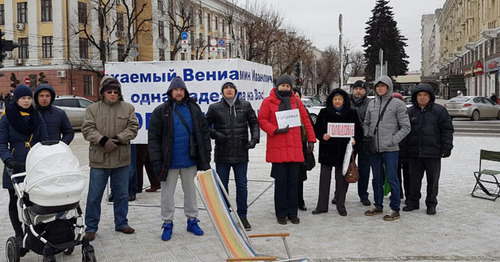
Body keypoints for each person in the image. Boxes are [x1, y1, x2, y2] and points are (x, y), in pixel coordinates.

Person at [148, 76, 211, 241]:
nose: (178, 92)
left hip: (189, 161)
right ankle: (167, 223)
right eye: (176, 89)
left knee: (191, 194)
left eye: (181, 89)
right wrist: (157, 162)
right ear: (170, 92)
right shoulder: (161, 111)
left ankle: (192, 220)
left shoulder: (194, 109)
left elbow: (203, 133)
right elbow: (153, 139)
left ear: (185, 92)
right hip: (169, 163)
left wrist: (206, 156)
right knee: (167, 195)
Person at [82, 76, 139, 241]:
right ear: (102, 93)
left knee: (121, 194)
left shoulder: (128, 108)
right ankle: (91, 227)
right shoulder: (92, 109)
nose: (113, 95)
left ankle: (121, 223)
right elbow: (87, 129)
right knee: (94, 196)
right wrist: (103, 140)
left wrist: (118, 139)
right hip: (99, 160)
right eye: (109, 92)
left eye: (115, 92)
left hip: (121, 158)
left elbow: (133, 127)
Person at [258, 74, 315, 225]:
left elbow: (306, 120)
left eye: (288, 86)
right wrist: (275, 129)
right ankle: (281, 213)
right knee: (281, 183)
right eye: (283, 85)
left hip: (295, 149)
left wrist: (311, 139)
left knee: (293, 183)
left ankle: (293, 213)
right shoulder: (268, 101)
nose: (285, 88)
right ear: (277, 86)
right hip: (278, 149)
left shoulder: (296, 101)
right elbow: (262, 120)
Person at [205, 82, 259, 231]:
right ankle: (225, 216)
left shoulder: (246, 105)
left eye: (231, 88)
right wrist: (215, 134)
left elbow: (254, 123)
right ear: (222, 92)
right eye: (226, 88)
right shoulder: (214, 108)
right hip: (222, 153)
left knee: (242, 185)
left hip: (241, 152)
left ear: (236, 91)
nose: (229, 90)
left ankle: (242, 216)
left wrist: (254, 139)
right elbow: (205, 126)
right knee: (222, 186)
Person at [0, 85, 47, 238]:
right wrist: (8, 159)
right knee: (15, 200)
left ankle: (32, 231)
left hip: (34, 164)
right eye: (23, 98)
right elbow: (2, 143)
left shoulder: (36, 116)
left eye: (28, 98)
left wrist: (43, 157)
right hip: (14, 165)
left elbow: (44, 139)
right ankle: (19, 233)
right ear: (16, 99)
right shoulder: (7, 117)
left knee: (34, 200)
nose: (26, 101)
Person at [363, 75, 410, 221]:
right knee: (376, 178)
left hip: (390, 149)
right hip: (374, 149)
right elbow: (366, 122)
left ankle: (395, 208)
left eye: (383, 86)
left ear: (388, 87)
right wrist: (368, 135)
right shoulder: (372, 104)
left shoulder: (397, 104)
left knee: (392, 178)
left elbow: (406, 127)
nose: (380, 88)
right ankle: (378, 205)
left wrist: (392, 140)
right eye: (377, 86)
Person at [402, 83, 454, 215]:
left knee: (433, 180)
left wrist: (447, 146)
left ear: (430, 96)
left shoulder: (439, 111)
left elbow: (447, 130)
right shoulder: (410, 112)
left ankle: (431, 204)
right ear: (415, 97)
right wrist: (403, 149)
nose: (422, 97)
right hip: (414, 153)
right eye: (419, 95)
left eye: (425, 95)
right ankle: (413, 202)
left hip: (433, 153)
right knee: (414, 180)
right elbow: (404, 131)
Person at [312, 88, 362, 216]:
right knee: (324, 180)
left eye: (340, 99)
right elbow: (317, 129)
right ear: (331, 100)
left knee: (342, 181)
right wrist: (322, 136)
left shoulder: (352, 113)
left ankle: (341, 205)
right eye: (335, 99)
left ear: (344, 101)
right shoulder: (324, 112)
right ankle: (322, 206)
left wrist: (355, 141)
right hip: (327, 152)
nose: (338, 101)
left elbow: (359, 132)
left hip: (343, 153)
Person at [349, 80, 372, 207]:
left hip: (364, 140)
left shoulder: (371, 103)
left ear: (365, 91)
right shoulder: (347, 102)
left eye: (361, 89)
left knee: (364, 169)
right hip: (349, 140)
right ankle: (339, 194)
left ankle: (363, 195)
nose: (358, 91)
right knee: (346, 167)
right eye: (356, 88)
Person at [292, 88, 312, 211]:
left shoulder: (304, 111)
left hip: (301, 148)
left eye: (297, 96)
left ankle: (300, 200)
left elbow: (311, 127)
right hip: (288, 148)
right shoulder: (284, 111)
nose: (295, 98)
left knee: (300, 177)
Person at [391, 92, 410, 202]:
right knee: (395, 174)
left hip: (407, 150)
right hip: (393, 149)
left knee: (408, 175)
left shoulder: (407, 114)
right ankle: (398, 194)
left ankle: (408, 195)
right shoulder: (388, 115)